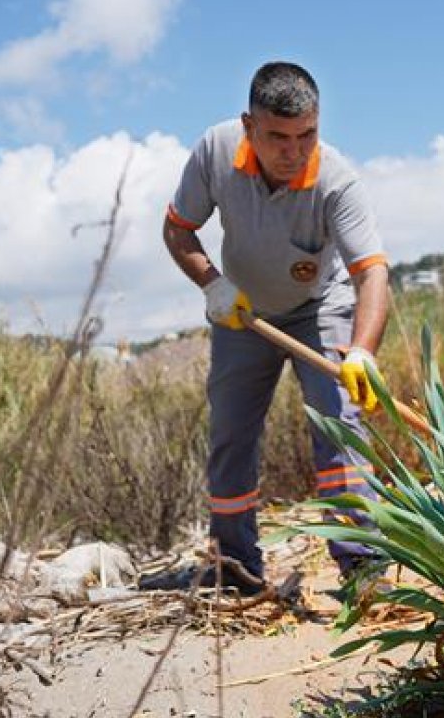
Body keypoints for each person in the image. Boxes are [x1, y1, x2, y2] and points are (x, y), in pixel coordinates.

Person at [146, 62, 389, 595]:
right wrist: (212, 285)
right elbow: (177, 229)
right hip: (243, 313)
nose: (293, 152)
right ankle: (236, 569)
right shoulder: (214, 151)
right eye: (278, 137)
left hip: (318, 307)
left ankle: (363, 566)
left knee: (339, 426)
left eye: (307, 136)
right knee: (231, 436)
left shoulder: (336, 181)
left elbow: (372, 273)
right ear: (248, 125)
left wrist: (363, 352)